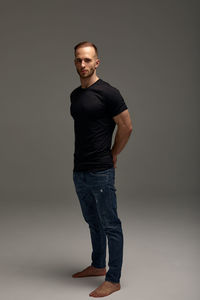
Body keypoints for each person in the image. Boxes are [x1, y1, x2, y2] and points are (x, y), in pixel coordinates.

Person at [70, 41, 132, 297]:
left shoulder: (109, 93)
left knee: (110, 224)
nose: (82, 64)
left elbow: (126, 126)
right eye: (78, 60)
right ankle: (97, 264)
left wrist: (114, 153)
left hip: (101, 170)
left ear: (97, 62)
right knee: (92, 221)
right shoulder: (75, 95)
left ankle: (113, 279)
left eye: (87, 60)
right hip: (80, 169)